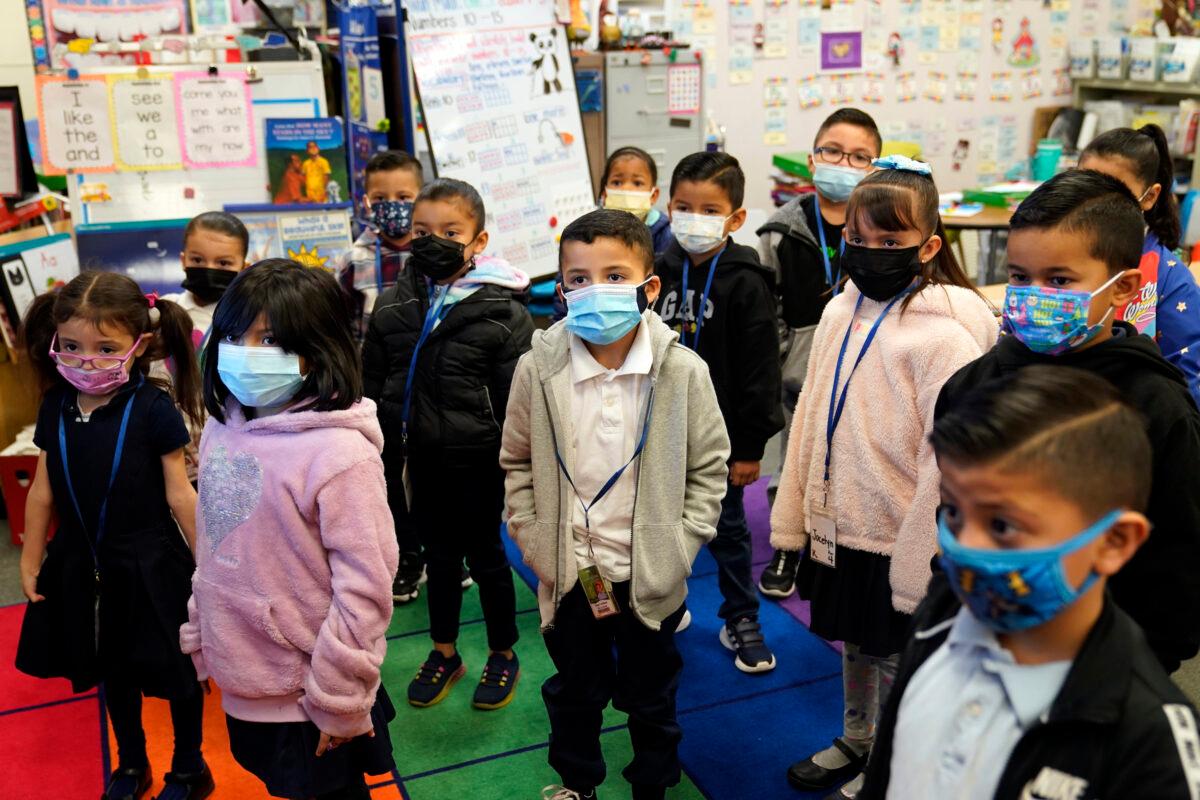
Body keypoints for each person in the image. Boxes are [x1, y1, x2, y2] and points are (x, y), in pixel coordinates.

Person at [860, 366, 1200, 800]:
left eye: (1001, 524)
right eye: (954, 513)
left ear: (1113, 541)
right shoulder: (942, 612)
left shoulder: (1150, 743)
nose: (965, 548)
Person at [771, 157, 998, 799]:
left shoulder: (945, 340)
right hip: (842, 521)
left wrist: (918, 550)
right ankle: (858, 738)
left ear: (928, 246)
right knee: (856, 646)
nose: (869, 254)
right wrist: (800, 508)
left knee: (901, 654)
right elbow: (812, 411)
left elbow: (948, 458)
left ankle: (898, 761)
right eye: (858, 239)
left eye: (890, 243)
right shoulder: (841, 313)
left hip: (902, 535)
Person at [501, 209, 729, 800]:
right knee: (575, 690)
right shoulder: (537, 368)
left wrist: (680, 547)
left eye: (613, 274)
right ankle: (579, 782)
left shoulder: (682, 371)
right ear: (560, 287)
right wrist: (533, 542)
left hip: (650, 573)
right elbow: (517, 461)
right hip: (572, 572)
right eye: (577, 278)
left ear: (648, 288)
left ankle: (652, 784)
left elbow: (708, 468)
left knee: (653, 696)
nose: (593, 290)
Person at [936, 169, 1200, 674]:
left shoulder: (1156, 406)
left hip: (1102, 658)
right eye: (1019, 277)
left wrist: (1141, 665)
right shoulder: (972, 386)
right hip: (976, 637)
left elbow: (1178, 559)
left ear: (1122, 288)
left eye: (1059, 280)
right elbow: (948, 514)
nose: (1033, 295)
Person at [180, 260, 398, 800]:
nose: (246, 351)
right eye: (234, 334)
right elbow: (214, 543)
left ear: (317, 346)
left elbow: (365, 588)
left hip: (311, 690)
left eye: (271, 337)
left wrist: (339, 696)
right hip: (244, 675)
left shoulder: (340, 453)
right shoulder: (222, 427)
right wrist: (203, 632)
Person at [16, 272, 211, 800]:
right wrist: (32, 558)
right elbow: (42, 489)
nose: (86, 360)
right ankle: (130, 764)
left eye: (106, 349)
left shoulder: (151, 407)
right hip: (82, 563)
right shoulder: (56, 405)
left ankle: (190, 765)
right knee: (111, 668)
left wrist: (212, 571)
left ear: (139, 345)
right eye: (73, 347)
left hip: (151, 563)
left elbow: (180, 495)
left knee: (176, 670)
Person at [363, 178, 533, 710]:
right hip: (417, 462)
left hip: (480, 463)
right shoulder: (392, 307)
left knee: (487, 559)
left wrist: (516, 466)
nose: (433, 240)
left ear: (478, 241)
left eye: (450, 232)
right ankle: (445, 652)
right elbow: (372, 384)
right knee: (438, 559)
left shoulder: (504, 314)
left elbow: (518, 404)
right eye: (423, 231)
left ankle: (503, 653)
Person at [652, 151, 783, 673]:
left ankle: (741, 617)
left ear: (735, 219)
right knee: (660, 527)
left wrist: (750, 448)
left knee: (727, 532)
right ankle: (666, 605)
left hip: (721, 441)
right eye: (683, 206)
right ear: (668, 206)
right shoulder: (655, 271)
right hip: (659, 432)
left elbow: (761, 372)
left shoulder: (746, 282)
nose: (693, 218)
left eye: (709, 210)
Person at [756, 108, 883, 599]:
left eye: (858, 156)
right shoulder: (780, 232)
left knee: (853, 460)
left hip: (865, 364)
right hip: (799, 370)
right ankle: (787, 546)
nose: (842, 162)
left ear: (874, 168)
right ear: (812, 160)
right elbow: (769, 313)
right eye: (832, 151)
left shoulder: (882, 228)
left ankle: (840, 549)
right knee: (794, 458)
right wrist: (784, 363)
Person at [1079, 124, 1200, 404]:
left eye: (1113, 192)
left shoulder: (1168, 277)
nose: (1094, 203)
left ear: (1150, 196)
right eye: (1085, 184)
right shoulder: (1062, 255)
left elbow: (1189, 377)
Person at [551, 146, 673, 321]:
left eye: (637, 183)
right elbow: (564, 282)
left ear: (653, 195)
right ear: (604, 191)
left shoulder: (664, 235)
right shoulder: (584, 233)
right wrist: (561, 324)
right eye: (617, 182)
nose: (627, 189)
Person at [337, 151, 425, 346]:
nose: (392, 204)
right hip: (369, 371)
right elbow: (342, 328)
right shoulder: (353, 260)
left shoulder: (435, 253)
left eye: (403, 197)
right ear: (367, 203)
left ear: (421, 199)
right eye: (379, 198)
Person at [163, 211, 250, 349]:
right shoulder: (162, 310)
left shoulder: (250, 319)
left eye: (223, 263)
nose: (209, 270)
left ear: (244, 269)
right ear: (183, 260)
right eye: (197, 260)